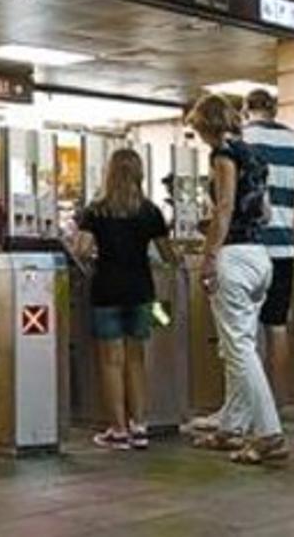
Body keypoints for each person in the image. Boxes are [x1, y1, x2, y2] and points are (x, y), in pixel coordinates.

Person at [186, 94, 288, 465]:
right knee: (239, 346)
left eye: (196, 127)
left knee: (239, 349)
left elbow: (226, 205)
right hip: (261, 257)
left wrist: (210, 254)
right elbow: (261, 210)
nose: (196, 134)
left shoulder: (223, 155)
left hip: (234, 257)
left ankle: (268, 432)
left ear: (207, 125)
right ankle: (232, 427)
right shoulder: (256, 156)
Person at [73, 148, 175, 451]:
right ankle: (139, 426)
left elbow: (80, 250)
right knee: (136, 360)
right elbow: (169, 254)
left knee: (111, 362)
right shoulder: (150, 211)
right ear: (139, 174)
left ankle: (117, 430)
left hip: (106, 290)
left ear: (110, 173)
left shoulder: (96, 211)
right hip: (142, 291)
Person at [241, 89, 294, 406]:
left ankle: (248, 404)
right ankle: (277, 401)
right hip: (283, 251)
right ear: (274, 109)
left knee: (243, 333)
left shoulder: (239, 141)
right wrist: (289, 234)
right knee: (278, 326)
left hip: (246, 248)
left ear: (246, 109)